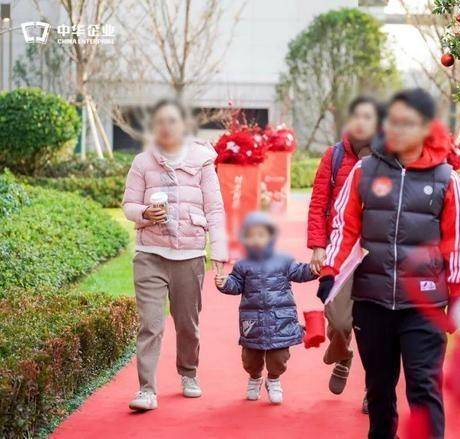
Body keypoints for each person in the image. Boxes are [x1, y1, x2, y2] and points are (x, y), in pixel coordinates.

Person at [317, 88, 460, 439]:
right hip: (373, 302)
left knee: (424, 387)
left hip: (425, 305)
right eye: (393, 122)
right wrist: (330, 270)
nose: (397, 130)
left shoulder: (446, 178)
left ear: (426, 127)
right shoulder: (364, 170)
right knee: (379, 391)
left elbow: (457, 241)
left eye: (408, 123)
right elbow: (344, 226)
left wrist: (457, 293)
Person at [122, 99, 228, 411]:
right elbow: (128, 206)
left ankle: (189, 373)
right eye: (160, 122)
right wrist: (145, 213)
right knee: (151, 324)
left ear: (184, 125)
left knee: (187, 324)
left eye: (172, 121)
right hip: (150, 255)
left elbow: (215, 209)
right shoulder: (143, 162)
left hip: (190, 256)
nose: (166, 127)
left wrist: (219, 253)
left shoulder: (202, 161)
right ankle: (146, 390)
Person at [307, 96, 383, 403]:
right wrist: (318, 246)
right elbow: (318, 202)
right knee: (338, 321)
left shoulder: (388, 158)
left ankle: (373, 390)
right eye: (356, 116)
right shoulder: (335, 155)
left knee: (376, 328)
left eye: (368, 116)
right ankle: (343, 354)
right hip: (341, 252)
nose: (360, 122)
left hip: (378, 253)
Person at [216, 211, 317, 404]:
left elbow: (299, 272)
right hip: (252, 321)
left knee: (279, 356)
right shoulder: (242, 265)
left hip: (280, 319)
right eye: (251, 235)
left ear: (271, 236)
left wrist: (313, 269)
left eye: (261, 235)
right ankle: (254, 377)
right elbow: (235, 285)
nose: (256, 239)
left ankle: (273, 379)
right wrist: (225, 283)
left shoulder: (284, 261)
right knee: (250, 358)